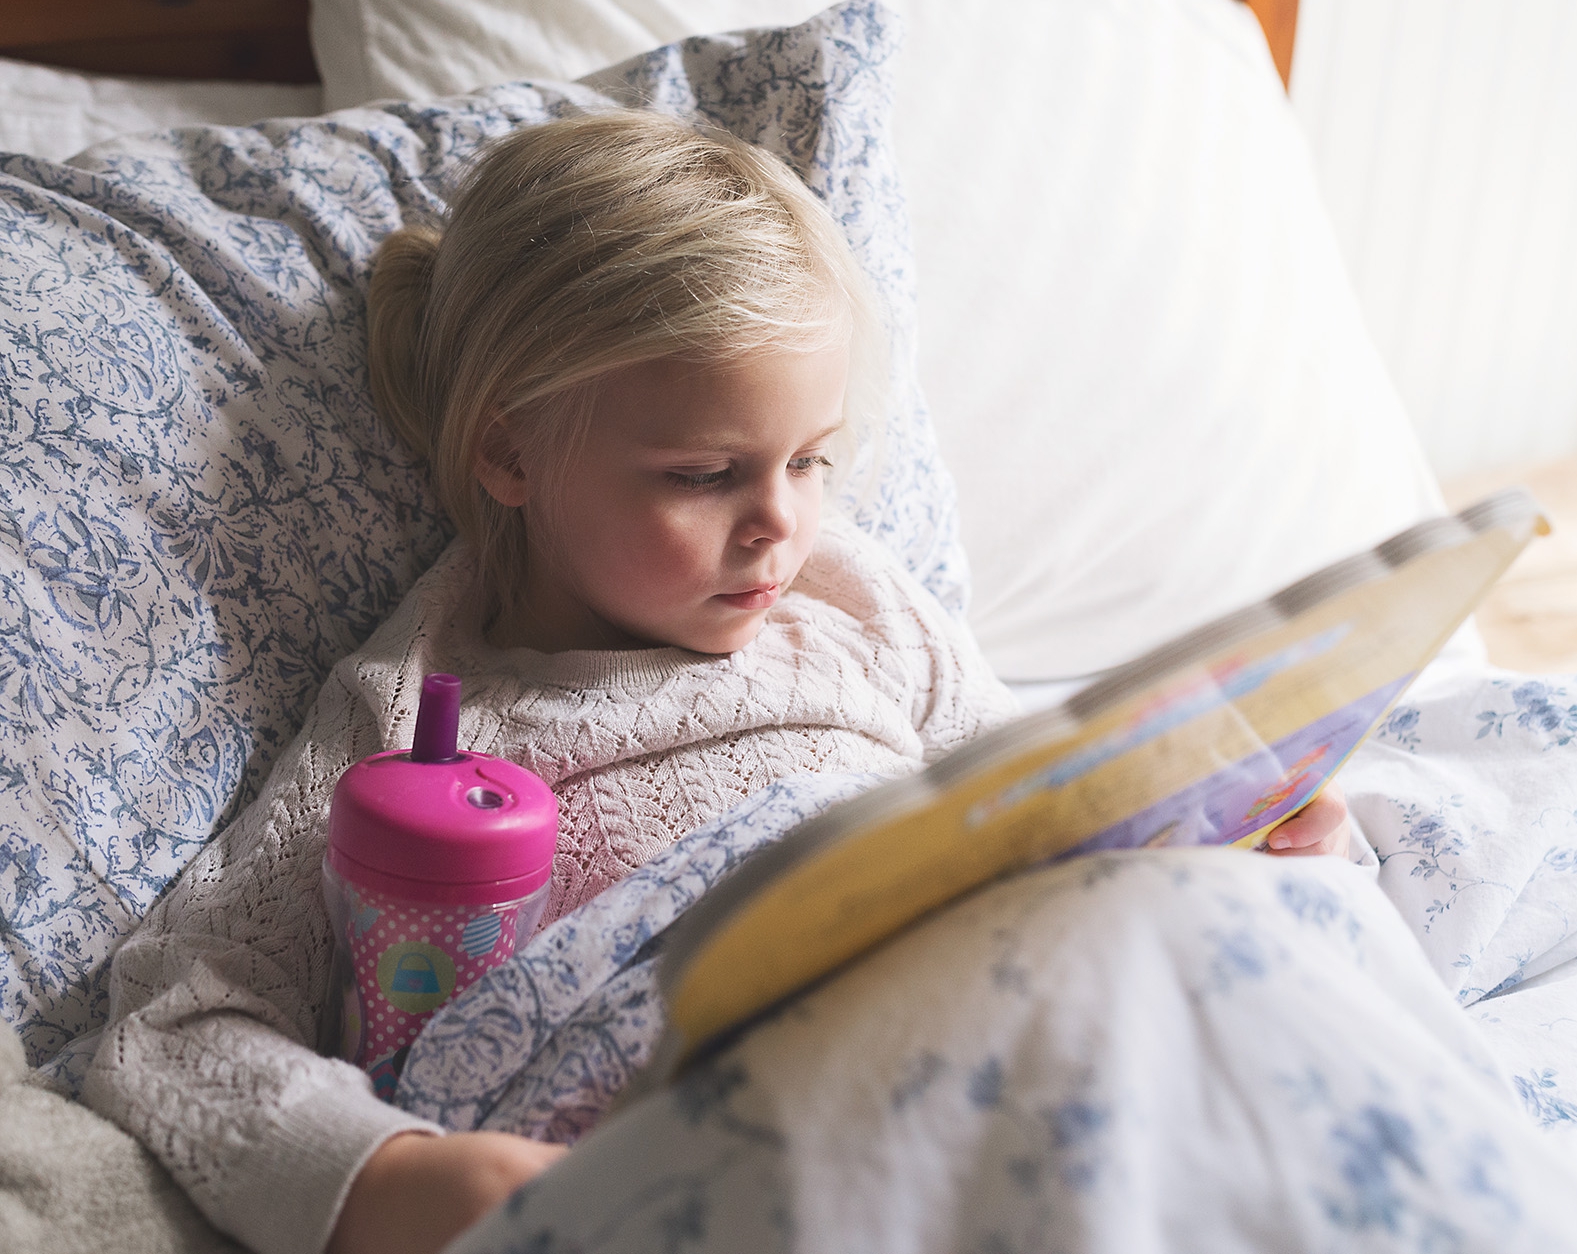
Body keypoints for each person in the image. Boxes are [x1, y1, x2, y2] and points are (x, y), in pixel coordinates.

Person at [81, 109, 1353, 1254]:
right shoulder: (413, 722)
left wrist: (1220, 841)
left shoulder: (860, 609)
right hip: (721, 1115)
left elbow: (1041, 813)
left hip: (993, 1027)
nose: (778, 526)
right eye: (705, 473)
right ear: (511, 449)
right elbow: (183, 1024)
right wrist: (388, 1175)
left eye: (810, 459)